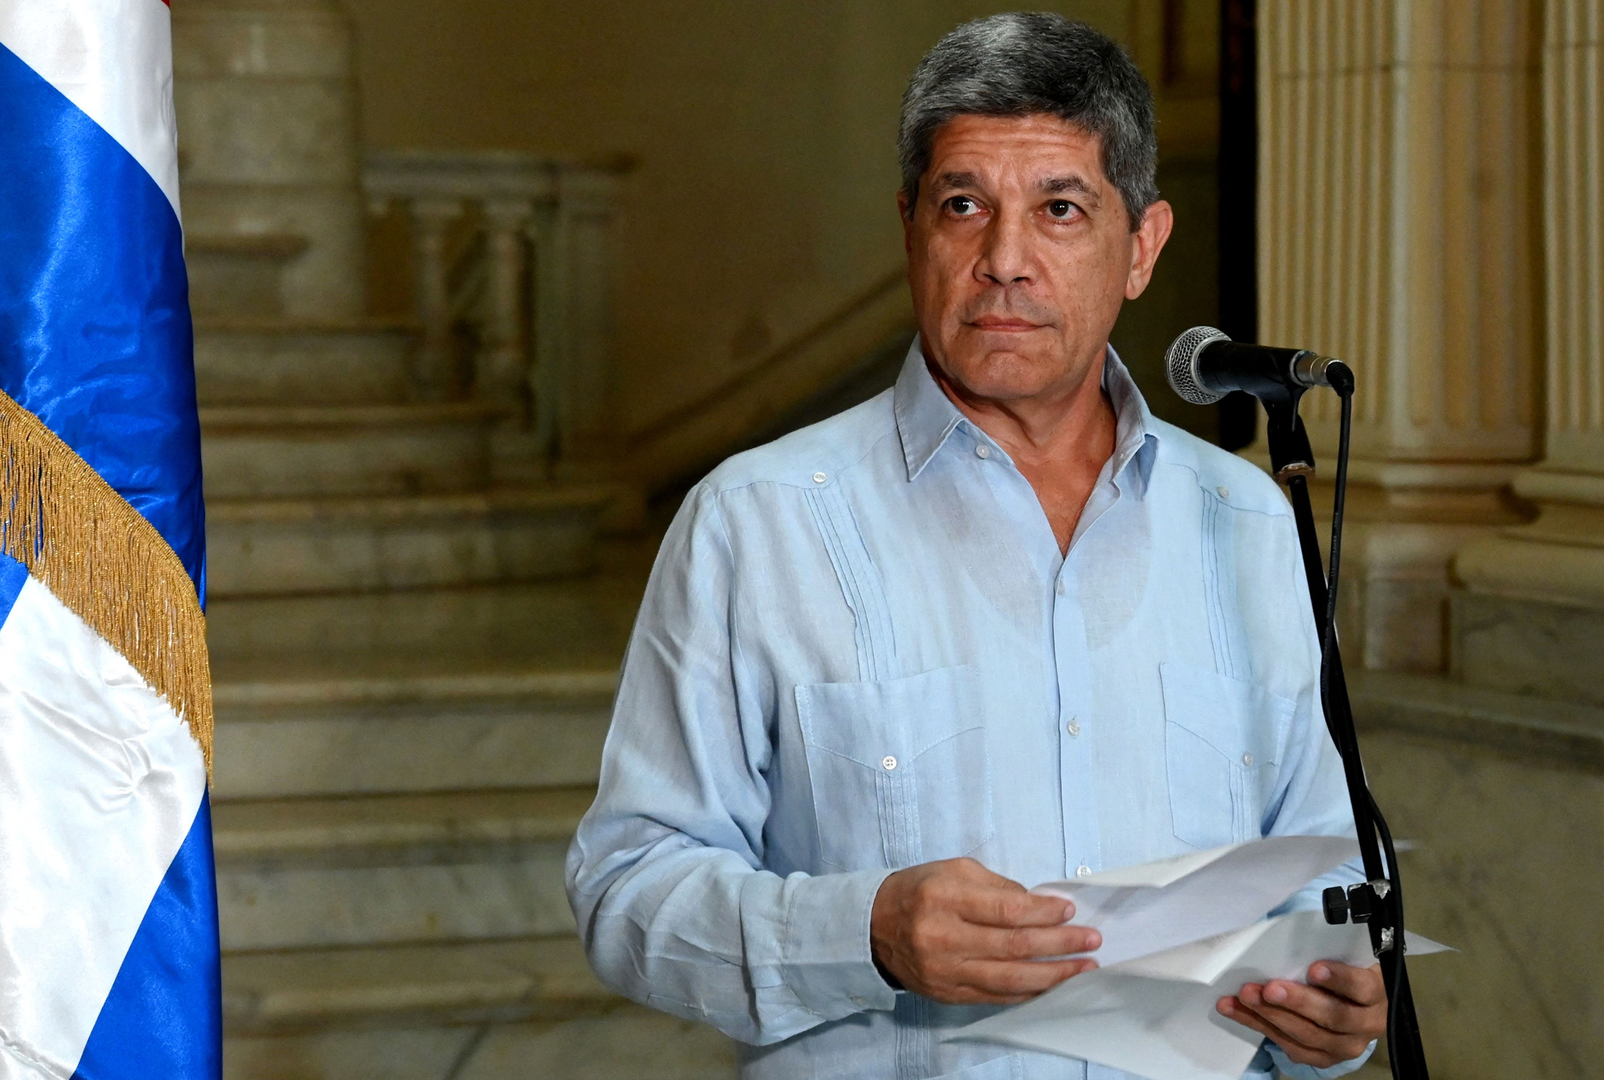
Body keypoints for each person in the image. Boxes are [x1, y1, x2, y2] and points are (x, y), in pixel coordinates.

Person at [566, 12, 1389, 1080]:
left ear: (1141, 248)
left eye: (1060, 209)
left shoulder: (1249, 523)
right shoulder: (755, 522)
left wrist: (1333, 1008)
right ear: (912, 225)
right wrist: (865, 932)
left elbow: (1320, 878)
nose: (1005, 261)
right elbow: (627, 890)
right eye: (965, 206)